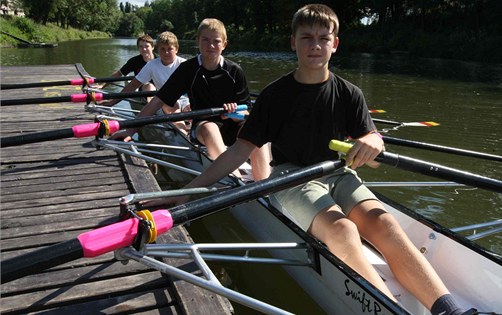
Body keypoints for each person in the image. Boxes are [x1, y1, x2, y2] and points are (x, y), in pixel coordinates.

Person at [169, 4, 468, 315]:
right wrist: (190, 190)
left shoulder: (350, 93)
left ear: (334, 44)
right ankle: (390, 309)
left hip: (338, 173)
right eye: (307, 37)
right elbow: (239, 151)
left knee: (385, 222)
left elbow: (373, 138)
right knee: (343, 231)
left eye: (323, 38)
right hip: (292, 178)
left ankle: (450, 309)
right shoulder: (275, 95)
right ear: (293, 42)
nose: (315, 46)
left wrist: (371, 142)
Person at [114, 18, 271, 181]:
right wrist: (131, 129)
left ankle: (264, 183)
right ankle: (235, 180)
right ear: (197, 41)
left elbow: (245, 110)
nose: (211, 45)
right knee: (211, 128)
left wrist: (233, 112)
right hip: (203, 126)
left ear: (224, 44)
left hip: (232, 124)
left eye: (216, 41)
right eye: (205, 40)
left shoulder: (235, 71)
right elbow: (157, 101)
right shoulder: (188, 69)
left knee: (256, 128)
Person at [101, 31, 189, 132]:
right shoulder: (152, 65)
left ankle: (190, 126)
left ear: (177, 49)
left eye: (170, 49)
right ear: (158, 49)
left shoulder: (185, 64)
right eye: (162, 49)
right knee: (172, 108)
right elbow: (133, 85)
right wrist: (113, 102)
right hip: (167, 101)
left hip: (186, 100)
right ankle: (183, 132)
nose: (166, 53)